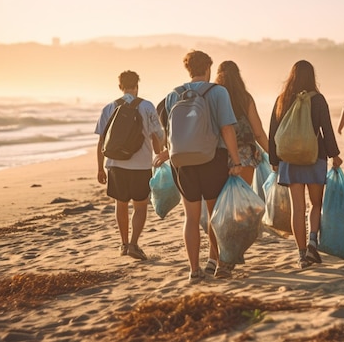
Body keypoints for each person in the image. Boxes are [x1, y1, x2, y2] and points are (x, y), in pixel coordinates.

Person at [155, 50, 243, 282]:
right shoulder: (217, 92)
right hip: (211, 159)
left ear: (188, 69)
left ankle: (194, 269)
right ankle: (217, 264)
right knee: (216, 216)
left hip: (182, 162)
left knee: (190, 218)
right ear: (208, 68)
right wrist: (236, 159)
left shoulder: (173, 95)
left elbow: (170, 133)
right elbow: (227, 128)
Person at [268, 60, 342, 269]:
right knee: (316, 203)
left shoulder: (282, 99)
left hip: (289, 159)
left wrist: (274, 160)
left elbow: (274, 132)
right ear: (312, 77)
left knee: (297, 208)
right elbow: (326, 129)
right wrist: (334, 155)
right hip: (314, 155)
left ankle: (301, 255)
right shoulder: (318, 100)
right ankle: (312, 242)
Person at [95, 70, 164, 260]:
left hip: (115, 165)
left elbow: (102, 141)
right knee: (140, 207)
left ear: (120, 86)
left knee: (121, 204)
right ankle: (134, 244)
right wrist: (159, 153)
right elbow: (157, 135)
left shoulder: (109, 107)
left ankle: (124, 244)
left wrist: (100, 168)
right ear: (137, 86)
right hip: (140, 166)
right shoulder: (147, 106)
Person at [214, 60, 269, 185]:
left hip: (219, 154)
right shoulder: (245, 98)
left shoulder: (214, 97)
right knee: (243, 196)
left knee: (222, 199)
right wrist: (272, 154)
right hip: (244, 155)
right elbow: (258, 132)